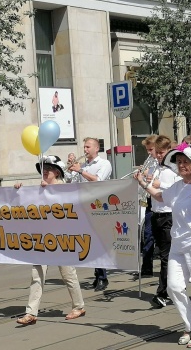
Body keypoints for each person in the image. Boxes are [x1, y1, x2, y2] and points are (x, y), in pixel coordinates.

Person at [138, 143, 191, 348]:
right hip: (177, 242)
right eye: (179, 162)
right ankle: (190, 323)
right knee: (174, 287)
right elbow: (160, 196)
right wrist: (142, 183)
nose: (182, 165)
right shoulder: (178, 186)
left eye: (186, 162)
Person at [15, 156, 86, 325]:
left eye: (49, 167)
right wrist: (18, 190)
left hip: (62, 238)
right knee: (36, 275)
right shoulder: (39, 189)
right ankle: (31, 312)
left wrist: (51, 193)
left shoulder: (65, 189)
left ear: (57, 172)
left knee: (68, 274)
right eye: (43, 167)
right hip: (42, 239)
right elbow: (22, 205)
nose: (45, 170)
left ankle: (79, 306)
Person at [68, 137, 112, 291]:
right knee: (90, 242)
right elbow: (73, 182)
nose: (85, 150)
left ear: (96, 149)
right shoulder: (84, 165)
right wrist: (71, 169)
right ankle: (97, 274)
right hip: (85, 207)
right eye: (84, 147)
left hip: (99, 208)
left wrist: (80, 170)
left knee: (98, 243)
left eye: (88, 147)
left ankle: (102, 277)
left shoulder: (104, 164)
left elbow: (97, 180)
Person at [145, 135, 180, 307]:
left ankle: (163, 292)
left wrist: (159, 185)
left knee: (166, 256)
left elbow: (176, 190)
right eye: (156, 152)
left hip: (169, 214)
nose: (158, 155)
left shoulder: (173, 169)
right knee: (163, 255)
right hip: (157, 214)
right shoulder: (157, 168)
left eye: (161, 152)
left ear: (168, 151)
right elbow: (153, 191)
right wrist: (144, 182)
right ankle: (171, 288)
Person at [136, 135, 158, 280]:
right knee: (148, 234)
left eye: (151, 149)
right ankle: (147, 267)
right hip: (150, 201)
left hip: (163, 202)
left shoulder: (165, 161)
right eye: (147, 150)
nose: (149, 153)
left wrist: (150, 177)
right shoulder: (149, 161)